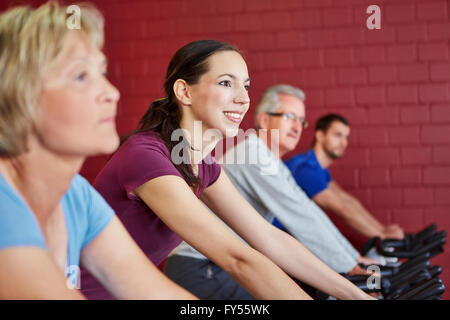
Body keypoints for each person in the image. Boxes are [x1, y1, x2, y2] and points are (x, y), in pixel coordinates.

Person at [81, 40, 375, 300]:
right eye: (226, 83)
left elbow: (268, 238)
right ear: (184, 91)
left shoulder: (204, 164)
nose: (243, 98)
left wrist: (355, 294)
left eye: (245, 85)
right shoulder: (146, 156)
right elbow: (237, 259)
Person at [0, 2, 197, 300]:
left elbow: (153, 292)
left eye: (102, 72)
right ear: (18, 96)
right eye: (81, 76)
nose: (111, 92)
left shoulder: (76, 195)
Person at [163, 84, 379, 299]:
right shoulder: (253, 156)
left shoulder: (271, 162)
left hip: (221, 264)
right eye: (289, 117)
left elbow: (308, 209)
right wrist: (349, 265)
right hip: (200, 268)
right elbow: (301, 218)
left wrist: (353, 260)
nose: (297, 127)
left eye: (300, 120)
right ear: (264, 121)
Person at [284, 113, 404, 240]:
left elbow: (347, 201)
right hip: (277, 238)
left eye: (346, 137)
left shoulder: (319, 168)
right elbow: (342, 208)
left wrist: (381, 228)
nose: (343, 143)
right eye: (337, 135)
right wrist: (382, 236)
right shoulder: (305, 168)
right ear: (320, 136)